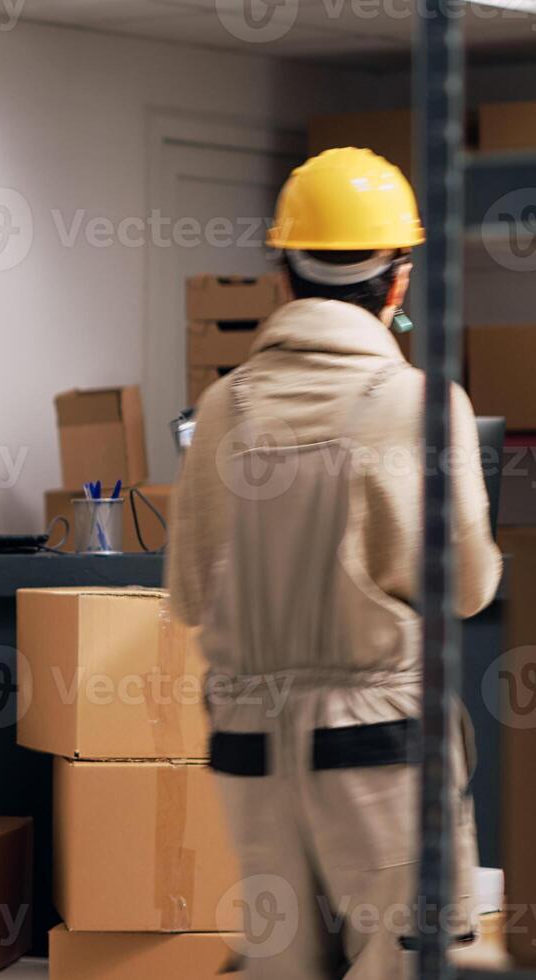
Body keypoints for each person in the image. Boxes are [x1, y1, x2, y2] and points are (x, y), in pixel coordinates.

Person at [166, 146, 501, 977]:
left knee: (284, 966)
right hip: (377, 753)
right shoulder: (420, 405)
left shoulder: (221, 408)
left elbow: (188, 597)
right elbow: (467, 589)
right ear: (398, 283)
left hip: (250, 752)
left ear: (282, 277)